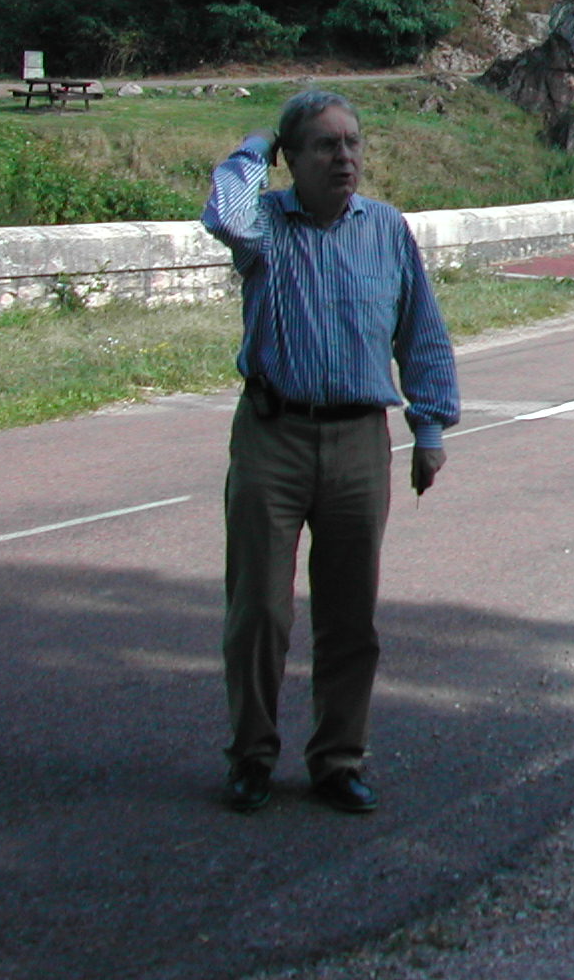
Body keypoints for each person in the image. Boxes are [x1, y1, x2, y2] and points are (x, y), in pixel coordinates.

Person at [201, 90, 459, 815]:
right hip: (273, 435)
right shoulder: (264, 228)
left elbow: (421, 333)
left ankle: (338, 759)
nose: (344, 157)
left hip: (358, 442)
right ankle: (251, 756)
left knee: (349, 617)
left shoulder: (386, 229)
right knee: (259, 612)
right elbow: (224, 216)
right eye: (324, 145)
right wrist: (254, 147)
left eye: (353, 142)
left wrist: (429, 429)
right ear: (292, 159)